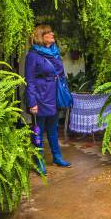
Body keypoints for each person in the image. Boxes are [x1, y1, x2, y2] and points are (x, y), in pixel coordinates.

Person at [25, 25, 71, 169]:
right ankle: (39, 160)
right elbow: (30, 80)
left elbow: (60, 74)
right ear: (41, 36)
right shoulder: (32, 55)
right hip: (40, 98)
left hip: (54, 96)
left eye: (51, 31)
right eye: (48, 33)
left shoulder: (54, 52)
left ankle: (57, 157)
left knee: (53, 128)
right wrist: (32, 102)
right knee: (38, 129)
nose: (52, 34)